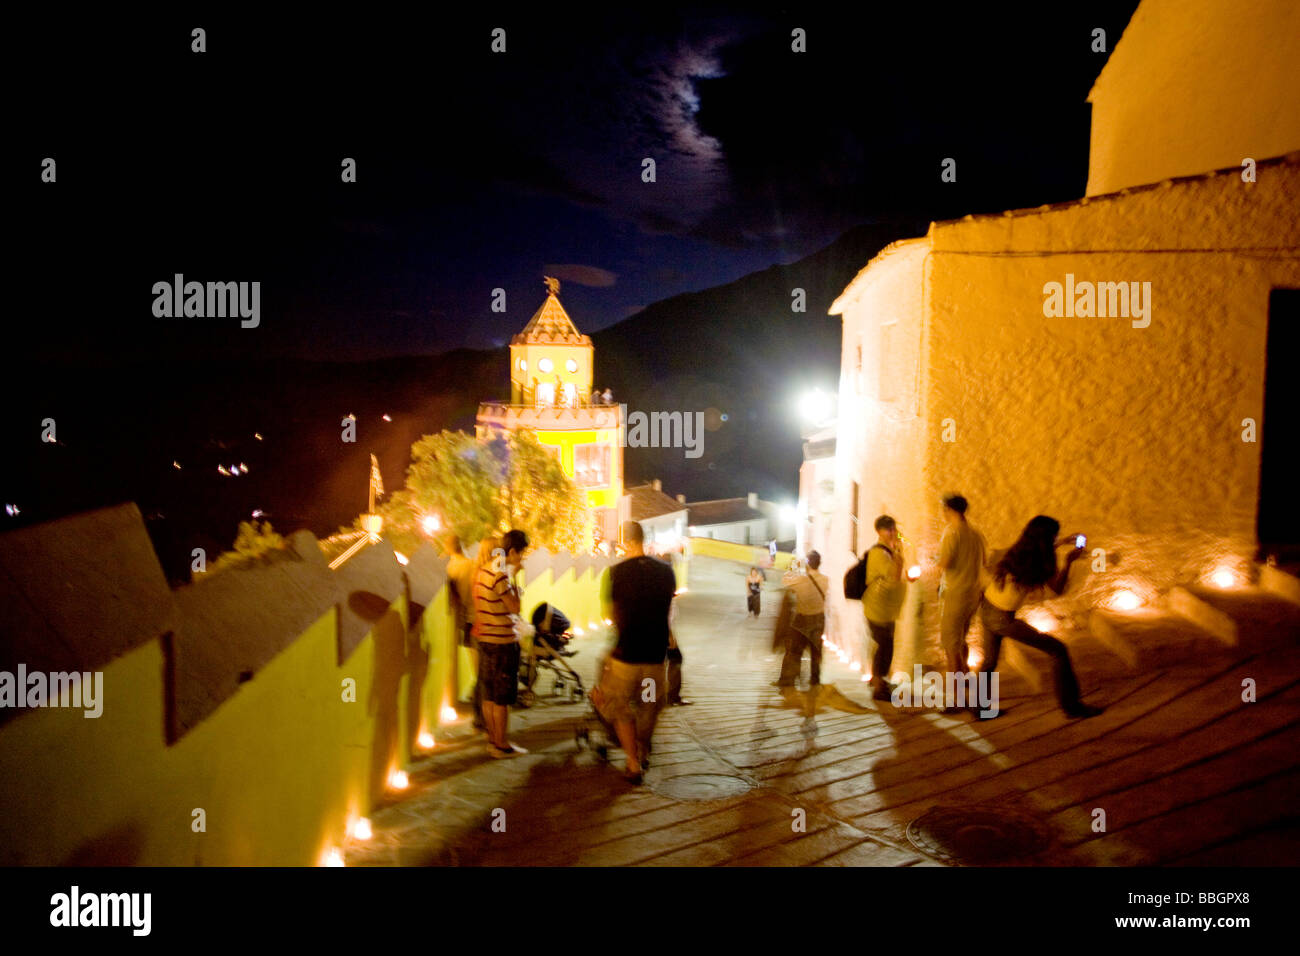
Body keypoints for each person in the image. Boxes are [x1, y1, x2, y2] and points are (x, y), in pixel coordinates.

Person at [976, 515, 1103, 719]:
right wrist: (1068, 561)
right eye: (1055, 536)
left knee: (989, 662)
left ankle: (980, 709)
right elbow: (1057, 589)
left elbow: (1038, 549)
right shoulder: (1040, 563)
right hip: (1002, 618)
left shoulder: (1020, 549)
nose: (1057, 538)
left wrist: (1060, 543)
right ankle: (1072, 706)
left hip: (987, 606)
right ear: (1047, 539)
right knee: (1058, 650)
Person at [593, 520, 677, 783]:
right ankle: (643, 750)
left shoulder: (615, 573)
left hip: (625, 657)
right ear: (643, 540)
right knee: (649, 706)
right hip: (654, 656)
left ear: (626, 542)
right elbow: (668, 609)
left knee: (620, 708)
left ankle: (632, 763)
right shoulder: (666, 571)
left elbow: (610, 615)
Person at [472, 529, 530, 757]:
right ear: (513, 551)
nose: (523, 558)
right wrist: (515, 579)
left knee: (488, 694)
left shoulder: (483, 569)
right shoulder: (500, 574)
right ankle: (502, 744)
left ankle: (492, 740)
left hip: (484, 639)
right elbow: (515, 607)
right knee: (502, 698)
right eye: (522, 553)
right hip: (502, 643)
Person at [936, 494, 986, 677]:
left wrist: (936, 561)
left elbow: (946, 562)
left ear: (949, 510)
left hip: (955, 594)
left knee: (951, 647)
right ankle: (965, 676)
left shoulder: (952, 532)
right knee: (961, 640)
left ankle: (955, 699)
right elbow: (984, 561)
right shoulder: (976, 533)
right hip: (972, 594)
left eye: (944, 509)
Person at [863, 515, 907, 701]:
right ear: (879, 531)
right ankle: (879, 688)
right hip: (879, 608)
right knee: (885, 647)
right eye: (889, 529)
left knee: (883, 645)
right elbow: (894, 577)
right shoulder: (880, 553)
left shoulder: (885, 551)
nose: (893, 533)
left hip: (884, 608)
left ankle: (877, 680)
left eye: (894, 529)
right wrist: (899, 553)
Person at [443, 533, 483, 730]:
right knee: (482, 668)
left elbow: (454, 597)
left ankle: (480, 715)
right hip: (482, 617)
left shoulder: (451, 568)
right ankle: (482, 712)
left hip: (469, 620)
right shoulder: (473, 564)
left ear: (449, 548)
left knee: (479, 669)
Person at [776, 550, 828, 688]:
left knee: (795, 651)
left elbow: (785, 580)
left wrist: (795, 564)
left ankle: (788, 681)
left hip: (802, 620)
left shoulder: (800, 581)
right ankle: (815, 681)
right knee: (816, 653)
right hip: (819, 620)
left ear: (807, 564)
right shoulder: (826, 580)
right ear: (819, 563)